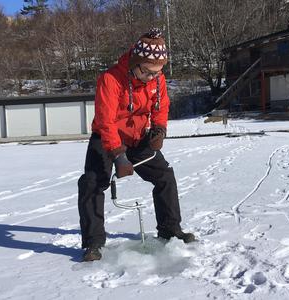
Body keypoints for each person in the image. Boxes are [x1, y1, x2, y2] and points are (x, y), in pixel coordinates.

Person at [78, 28, 195, 262]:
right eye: (147, 72)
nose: (152, 77)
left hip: (139, 136)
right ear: (135, 62)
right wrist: (118, 155)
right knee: (91, 183)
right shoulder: (110, 79)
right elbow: (105, 121)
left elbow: (161, 106)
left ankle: (170, 229)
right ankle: (93, 243)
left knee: (165, 176)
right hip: (107, 138)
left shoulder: (156, 79)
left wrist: (160, 129)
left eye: (157, 72)